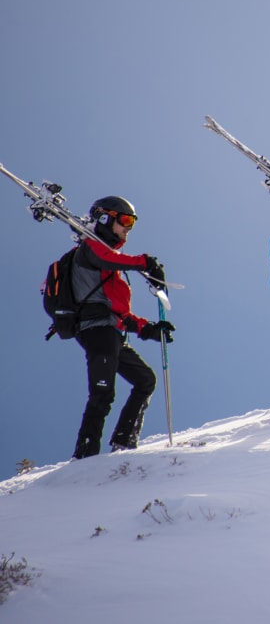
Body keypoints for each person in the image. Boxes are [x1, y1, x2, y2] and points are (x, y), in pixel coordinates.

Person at [71, 196, 175, 459]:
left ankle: (124, 442)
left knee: (145, 380)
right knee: (103, 393)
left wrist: (150, 329)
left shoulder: (112, 271)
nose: (128, 227)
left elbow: (122, 314)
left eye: (132, 223)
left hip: (112, 333)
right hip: (96, 331)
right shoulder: (90, 248)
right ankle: (85, 456)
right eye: (125, 220)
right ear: (106, 218)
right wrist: (145, 263)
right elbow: (107, 259)